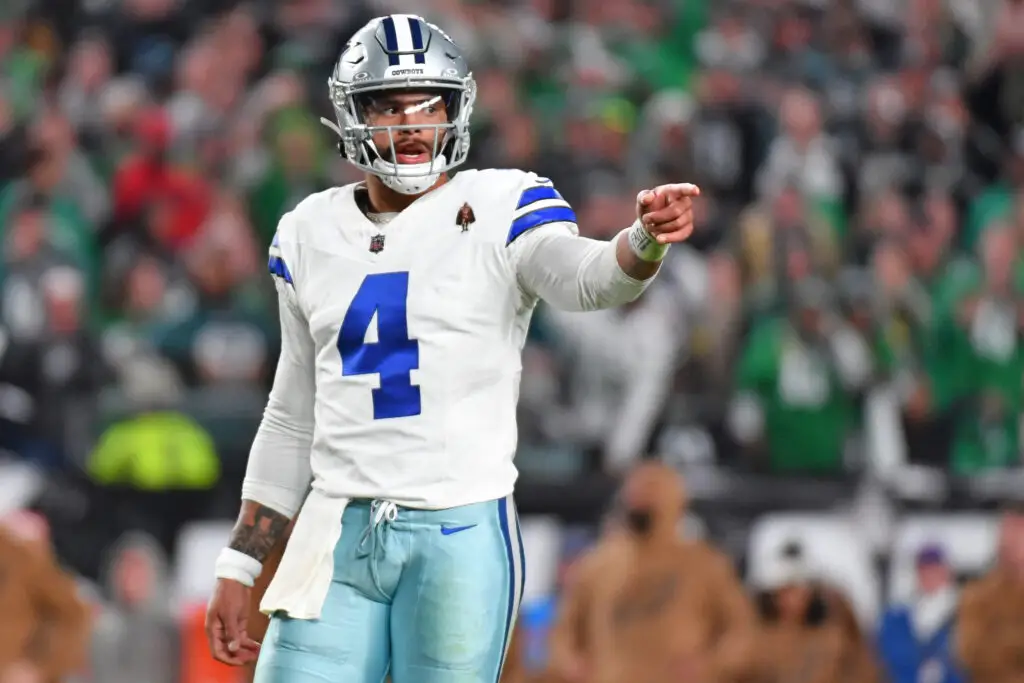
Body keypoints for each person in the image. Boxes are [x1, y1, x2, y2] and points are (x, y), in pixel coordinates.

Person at [204, 13, 700, 683]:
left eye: (427, 103)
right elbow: (293, 414)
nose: (410, 124)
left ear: (455, 109)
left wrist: (642, 240)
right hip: (334, 534)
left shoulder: (501, 203)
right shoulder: (308, 231)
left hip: (456, 530)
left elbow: (590, 279)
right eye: (387, 105)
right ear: (352, 115)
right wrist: (240, 562)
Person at [546, 462, 756, 683]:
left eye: (651, 491)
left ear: (676, 501)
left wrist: (710, 666)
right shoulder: (596, 565)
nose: (640, 499)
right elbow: (564, 634)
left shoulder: (705, 565)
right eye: (636, 492)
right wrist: (572, 665)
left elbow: (741, 633)